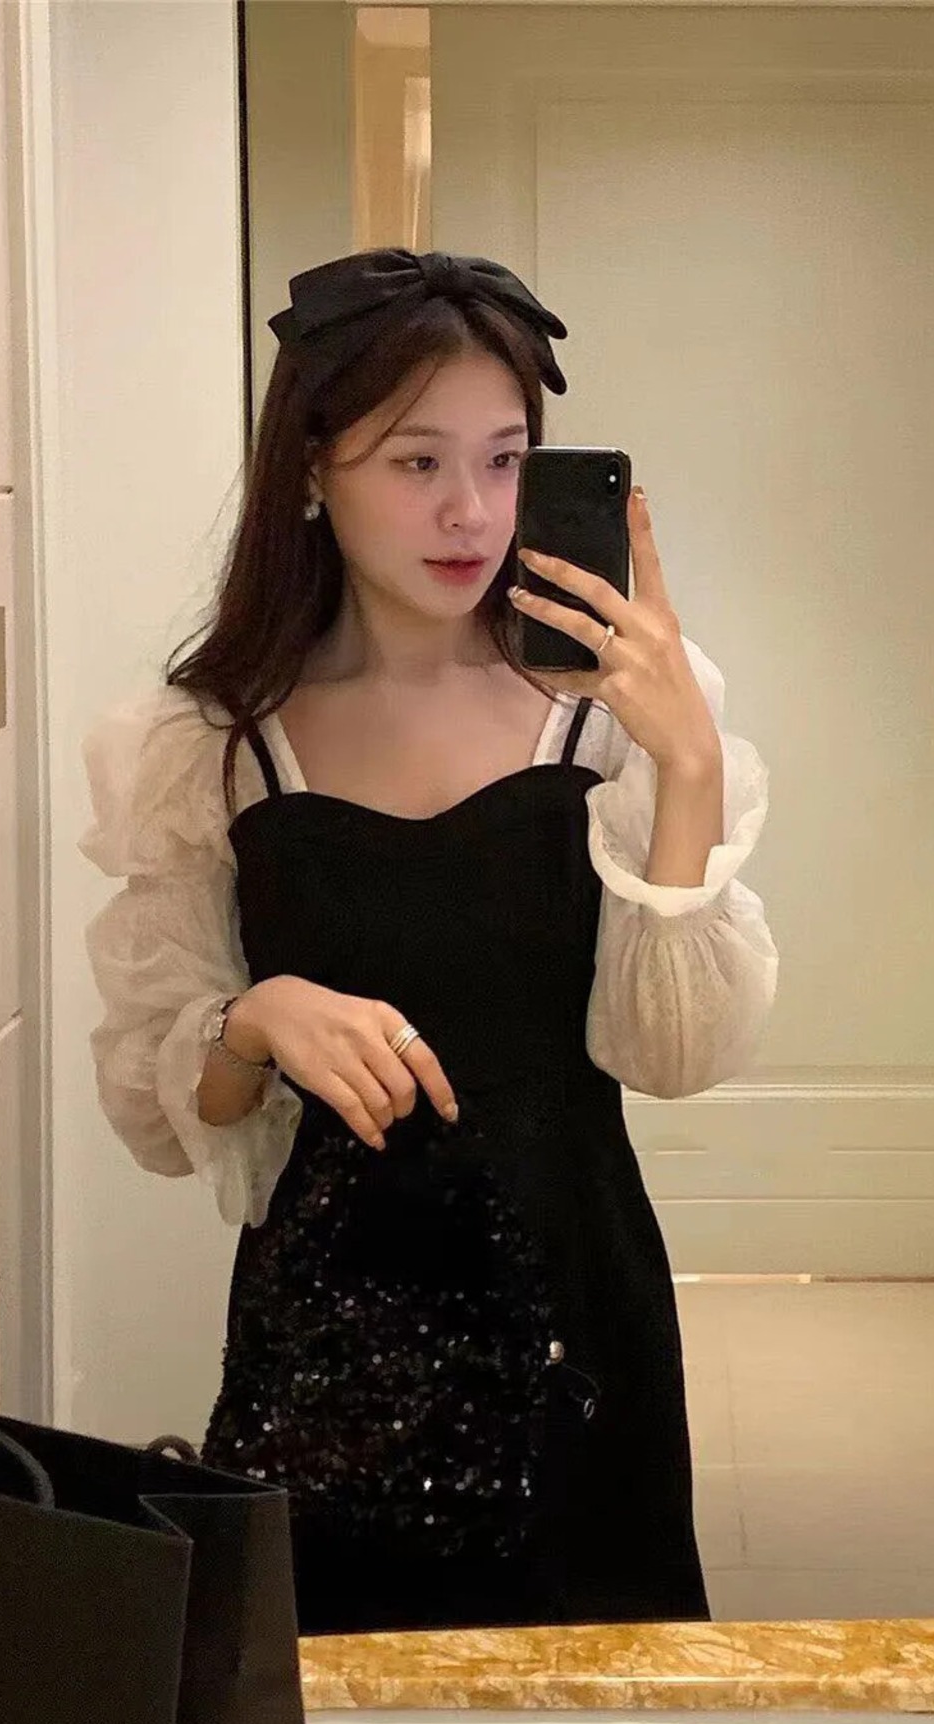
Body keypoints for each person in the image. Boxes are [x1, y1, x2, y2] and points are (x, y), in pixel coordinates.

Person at [81, 248, 779, 1636]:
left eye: (505, 459)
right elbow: (168, 1111)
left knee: (594, 1689)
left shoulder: (610, 721)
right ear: (311, 470)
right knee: (323, 1682)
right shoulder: (207, 745)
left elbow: (674, 1053)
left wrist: (689, 768)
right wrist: (254, 1016)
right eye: (417, 463)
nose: (472, 512)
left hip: (578, 1305)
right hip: (328, 1332)